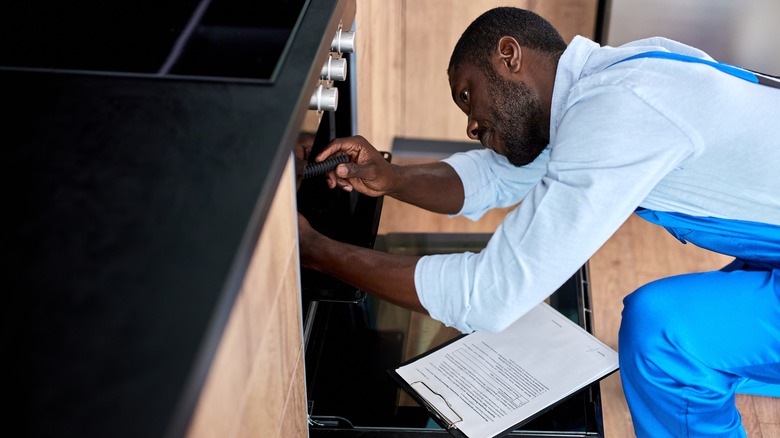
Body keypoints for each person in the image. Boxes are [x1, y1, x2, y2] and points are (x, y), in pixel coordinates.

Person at [297, 6, 780, 437]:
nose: (469, 125)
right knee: (721, 314)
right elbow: (496, 178)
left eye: (468, 95)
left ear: (509, 55)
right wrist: (391, 178)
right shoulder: (611, 81)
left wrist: (318, 251)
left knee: (666, 337)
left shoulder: (620, 112)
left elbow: (488, 295)